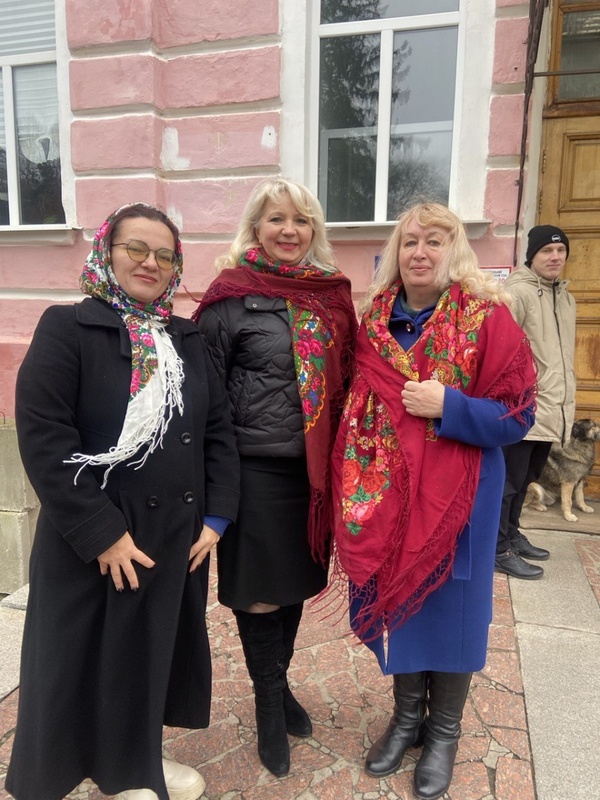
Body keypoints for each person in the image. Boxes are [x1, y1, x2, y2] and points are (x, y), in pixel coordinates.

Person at [6, 203, 240, 800]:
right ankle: (90, 770)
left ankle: (136, 765)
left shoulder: (186, 338)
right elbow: (44, 435)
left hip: (173, 534)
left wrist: (216, 517)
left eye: (163, 254)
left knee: (147, 654)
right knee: (82, 658)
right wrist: (102, 533)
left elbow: (216, 430)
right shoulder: (67, 327)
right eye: (135, 248)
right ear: (106, 252)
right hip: (95, 534)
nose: (149, 263)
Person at [330, 203, 537, 800]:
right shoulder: (373, 323)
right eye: (410, 241)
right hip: (389, 498)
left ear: (456, 251)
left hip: (461, 499)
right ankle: (405, 720)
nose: (420, 252)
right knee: (402, 604)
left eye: (435, 240)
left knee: (454, 609)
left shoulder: (488, 318)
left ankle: (443, 731)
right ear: (395, 252)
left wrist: (451, 406)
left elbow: (520, 414)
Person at [194, 178, 356, 777]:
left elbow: (350, 381)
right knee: (259, 591)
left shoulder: (331, 297)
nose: (290, 230)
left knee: (293, 587)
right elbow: (206, 399)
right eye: (277, 219)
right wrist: (213, 486)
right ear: (256, 228)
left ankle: (279, 686)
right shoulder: (229, 297)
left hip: (311, 477)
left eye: (301, 220)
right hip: (252, 471)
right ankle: (268, 705)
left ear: (314, 229)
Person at [494, 225, 576, 579]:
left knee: (527, 477)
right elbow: (502, 352)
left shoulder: (566, 298)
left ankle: (512, 535)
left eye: (560, 251)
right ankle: (497, 548)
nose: (555, 257)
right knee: (508, 483)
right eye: (547, 251)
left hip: (553, 405)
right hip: (524, 407)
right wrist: (516, 398)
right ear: (532, 256)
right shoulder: (517, 294)